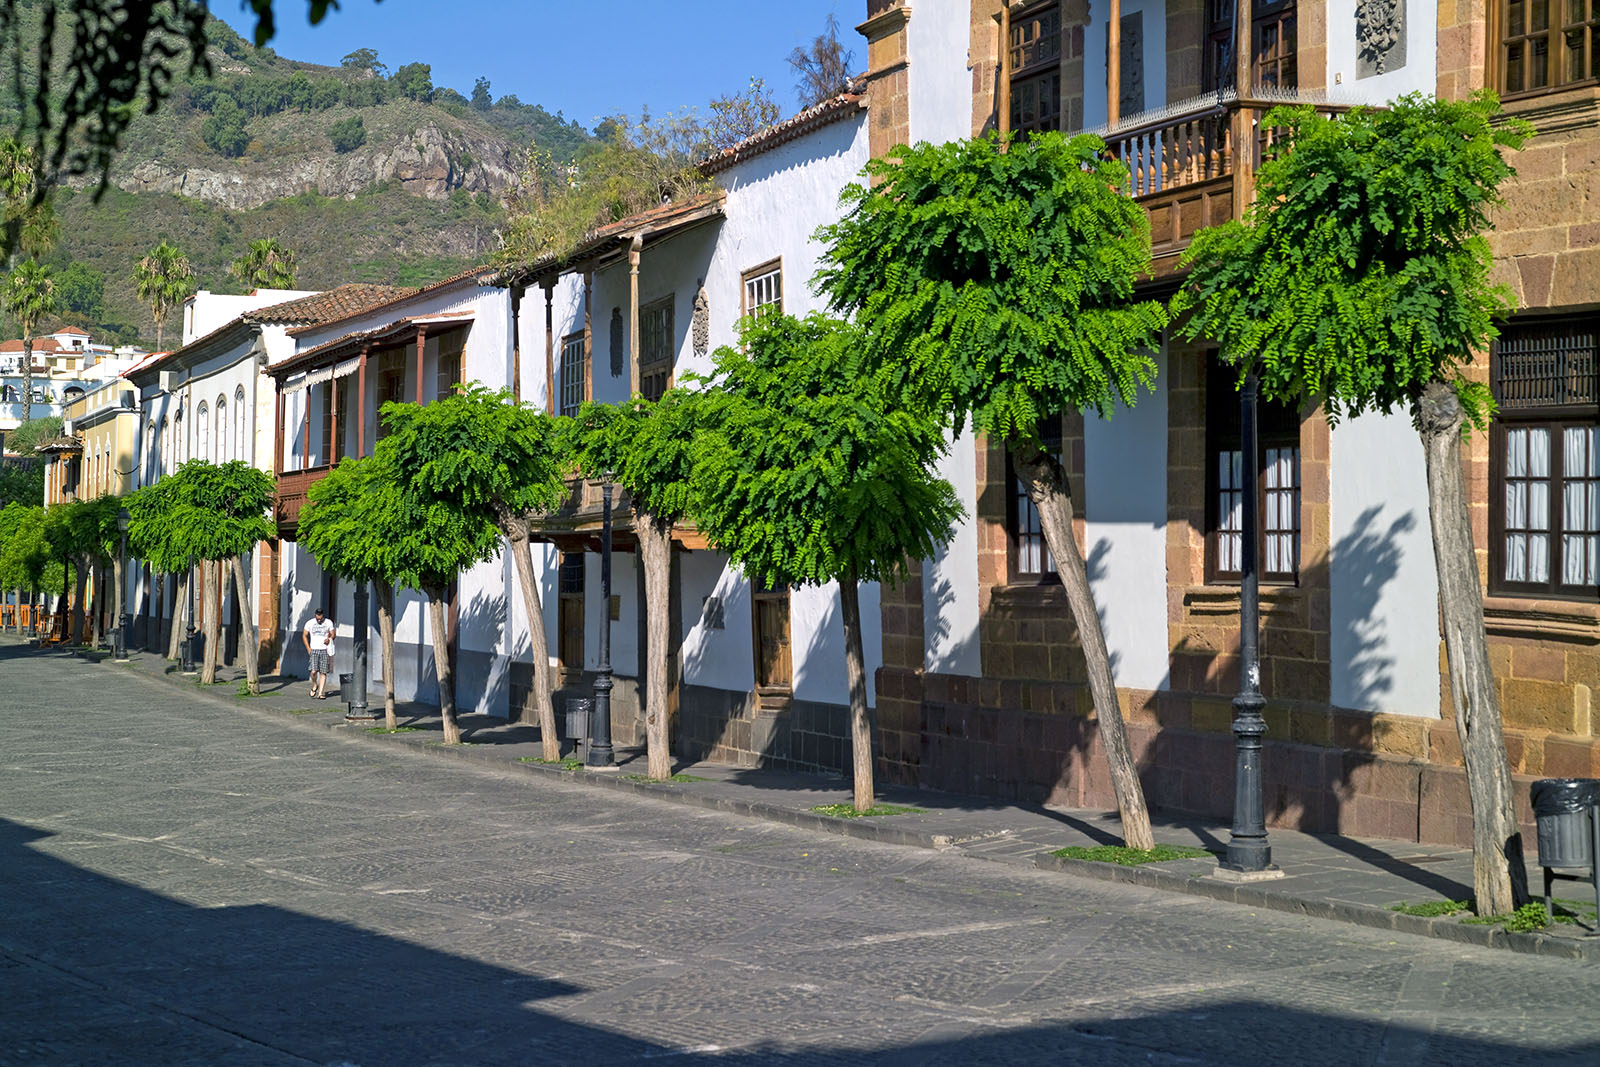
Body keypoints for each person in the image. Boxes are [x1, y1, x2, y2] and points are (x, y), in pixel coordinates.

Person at [303, 606, 335, 699]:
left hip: (324, 649)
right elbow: (304, 635)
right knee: (313, 671)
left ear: (323, 616)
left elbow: (333, 634)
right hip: (314, 649)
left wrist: (330, 639)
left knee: (323, 672)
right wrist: (308, 648)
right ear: (315, 615)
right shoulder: (310, 623)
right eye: (318, 618)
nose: (319, 620)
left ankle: (321, 693)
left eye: (320, 619)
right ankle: (314, 685)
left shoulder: (328, 622)